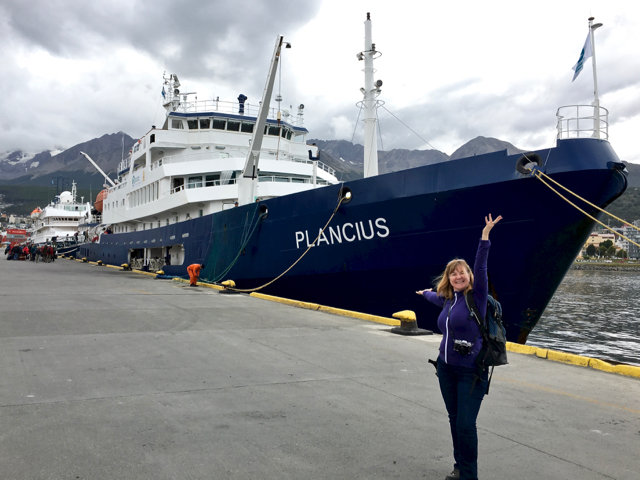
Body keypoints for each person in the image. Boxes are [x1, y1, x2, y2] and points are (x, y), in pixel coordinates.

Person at [417, 214, 502, 480]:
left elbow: (481, 268)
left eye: (462, 273)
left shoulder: (476, 297)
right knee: (454, 419)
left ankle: (469, 476)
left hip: (471, 372)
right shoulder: (448, 300)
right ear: (448, 278)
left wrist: (484, 238)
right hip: (446, 369)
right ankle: (459, 466)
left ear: (469, 277)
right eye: (453, 274)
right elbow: (434, 297)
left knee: (466, 424)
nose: (458, 276)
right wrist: (424, 294)